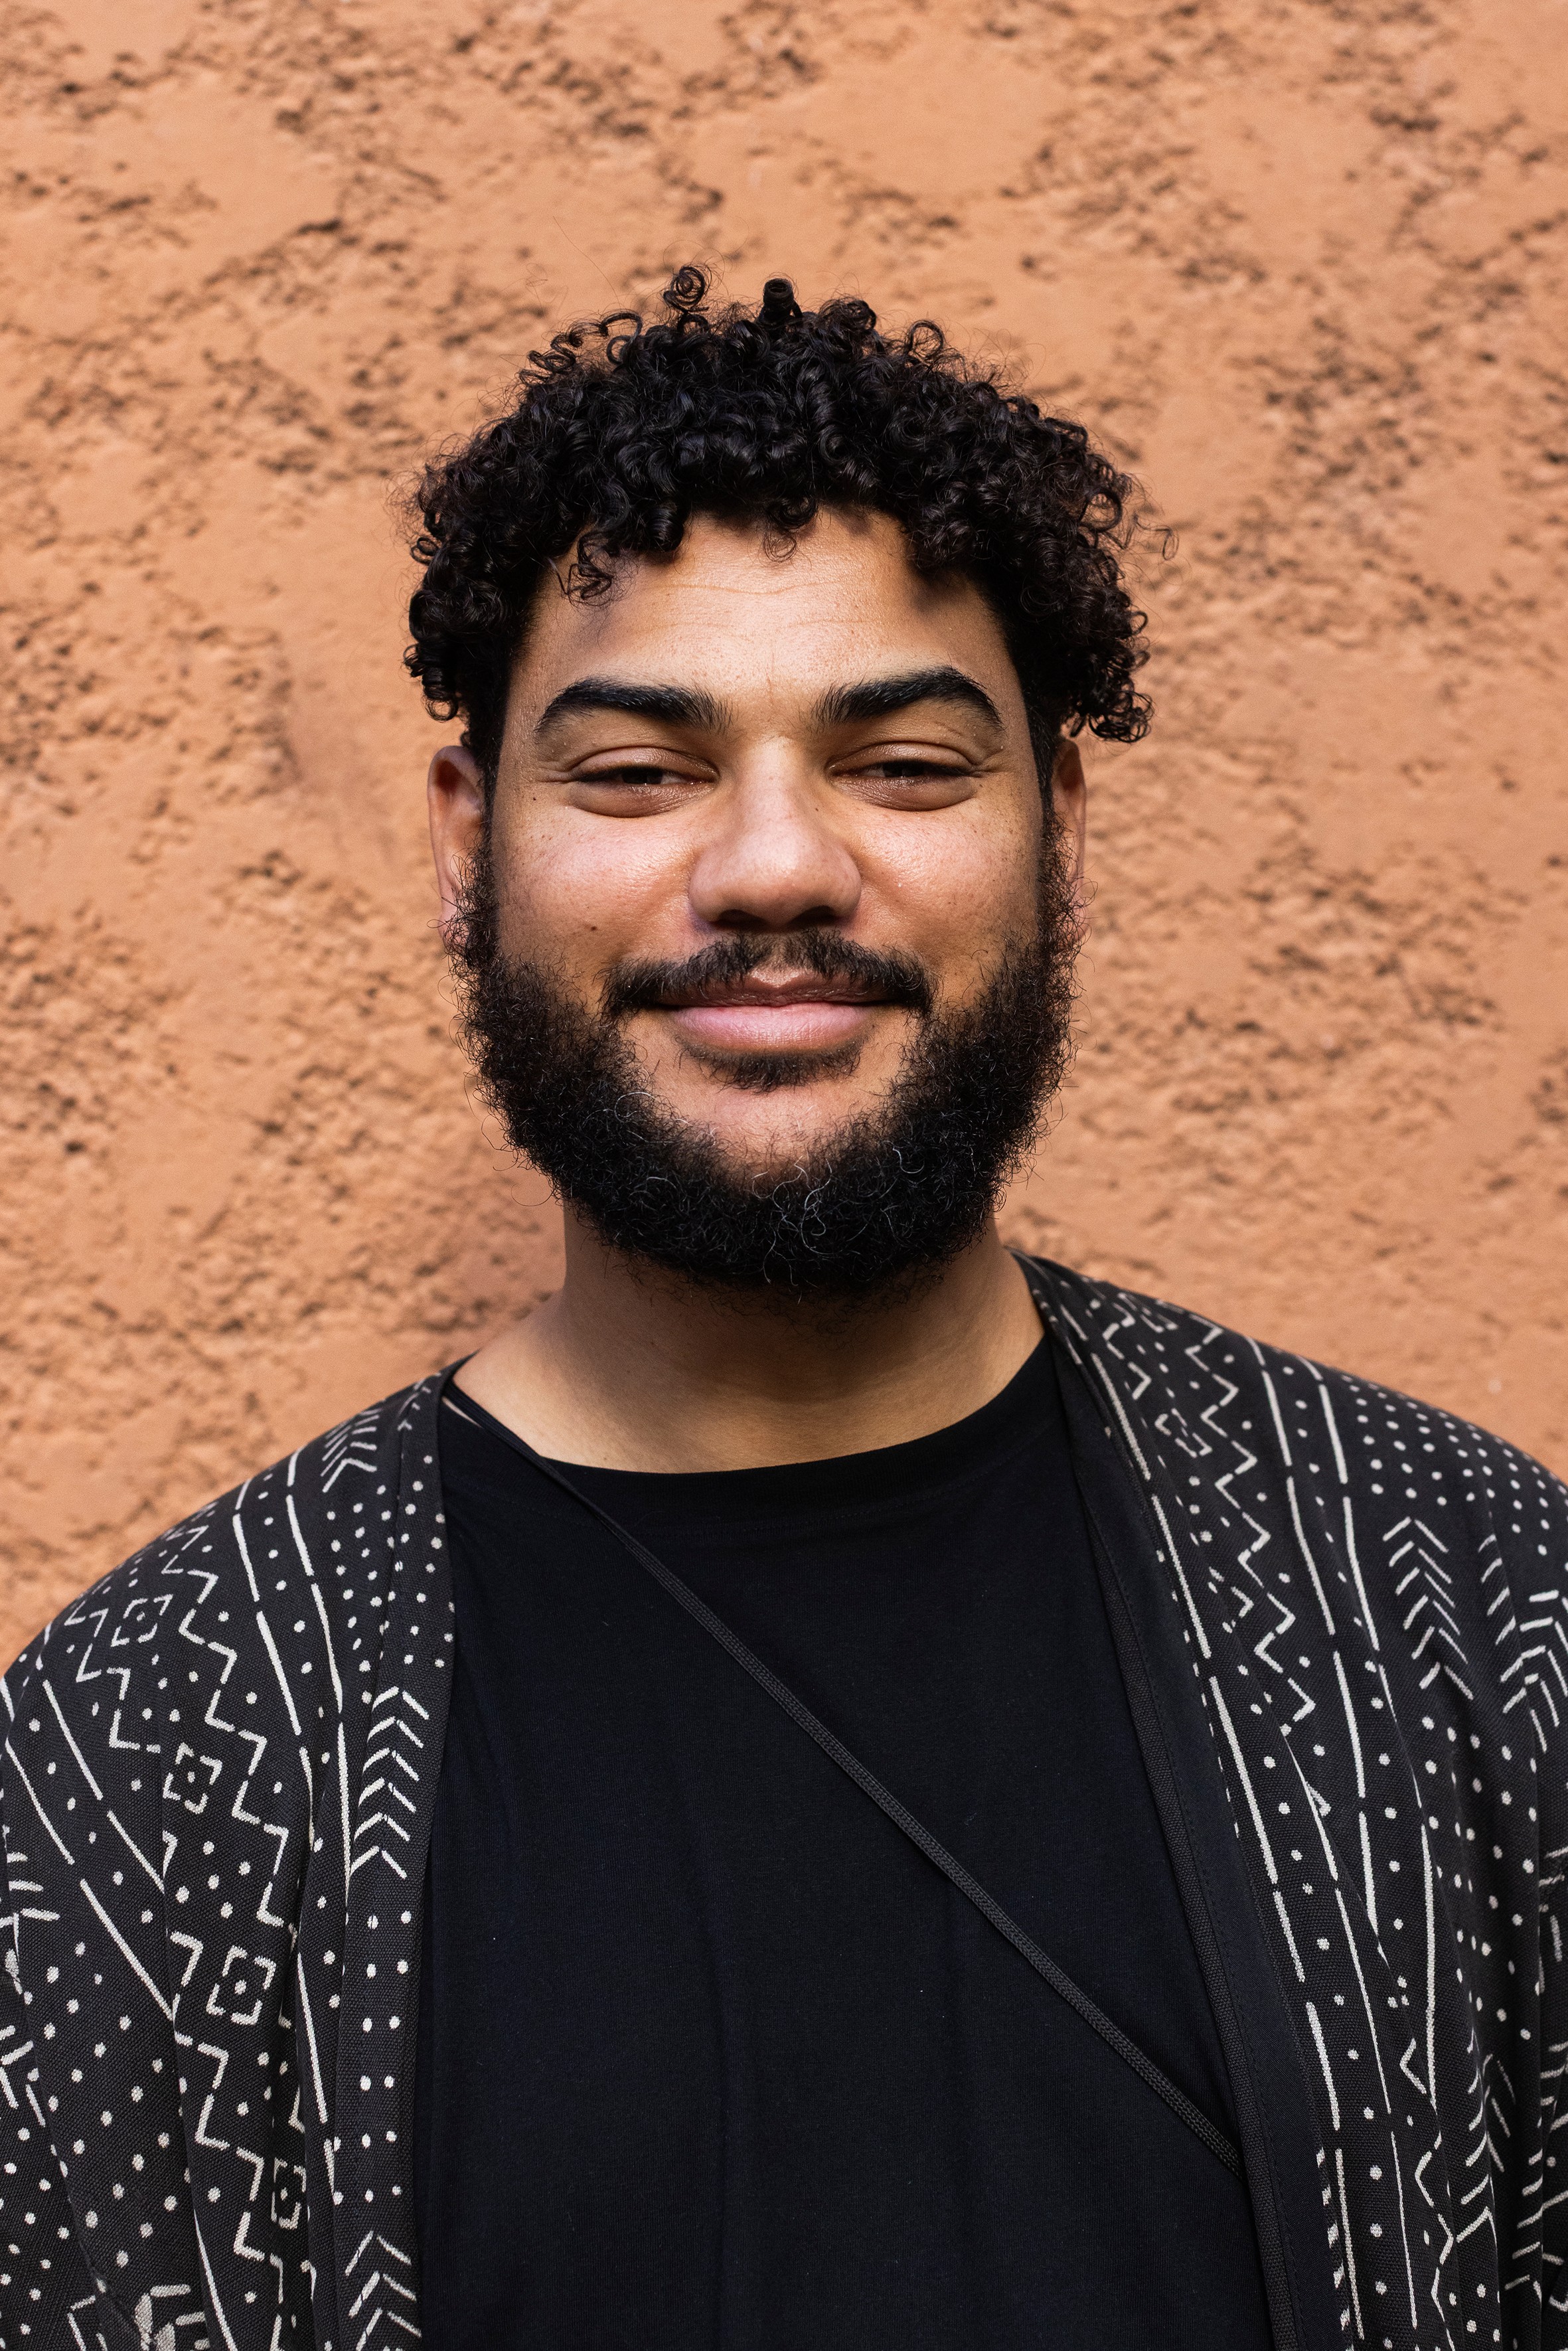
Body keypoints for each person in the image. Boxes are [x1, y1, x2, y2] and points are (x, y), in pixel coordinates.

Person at [1, 268, 1561, 2351]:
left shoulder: (1457, 1612)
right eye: (637, 771)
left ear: (1057, 836)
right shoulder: (148, 1766)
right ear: (467, 850)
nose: (770, 868)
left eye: (901, 763)